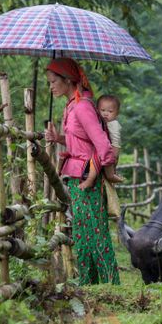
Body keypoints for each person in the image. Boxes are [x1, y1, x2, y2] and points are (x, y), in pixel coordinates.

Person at [44, 57, 120, 285]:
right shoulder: (73, 105)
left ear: (68, 80)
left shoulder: (83, 108)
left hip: (87, 176)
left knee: (95, 231)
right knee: (81, 232)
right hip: (77, 175)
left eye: (53, 81)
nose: (51, 86)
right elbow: (80, 141)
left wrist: (97, 170)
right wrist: (57, 138)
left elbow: (103, 146)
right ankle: (89, 283)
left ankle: (110, 284)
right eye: (48, 82)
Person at [78, 94, 125, 190]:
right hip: (103, 150)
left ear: (117, 113)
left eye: (110, 111)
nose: (105, 114)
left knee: (107, 172)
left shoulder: (113, 124)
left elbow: (116, 141)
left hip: (110, 152)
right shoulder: (100, 122)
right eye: (102, 110)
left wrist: (114, 156)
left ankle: (92, 180)